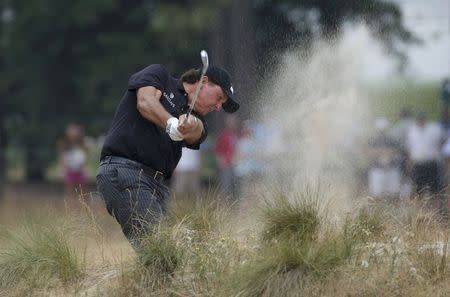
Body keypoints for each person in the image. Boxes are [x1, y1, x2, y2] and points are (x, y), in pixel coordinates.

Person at [96, 63, 239, 246]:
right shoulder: (160, 76)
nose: (219, 107)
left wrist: (189, 125)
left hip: (156, 185)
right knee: (162, 248)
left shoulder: (199, 119)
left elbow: (196, 131)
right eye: (219, 98)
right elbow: (145, 102)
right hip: (124, 171)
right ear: (203, 82)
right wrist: (170, 123)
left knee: (171, 248)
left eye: (222, 104)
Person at [58, 123, 89, 202]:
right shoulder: (64, 144)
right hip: (70, 169)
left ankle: (85, 207)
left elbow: (85, 157)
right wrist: (63, 167)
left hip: (80, 169)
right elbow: (62, 157)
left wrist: (86, 168)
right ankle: (70, 207)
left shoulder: (82, 144)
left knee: (83, 190)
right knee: (69, 189)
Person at [214, 114, 240, 200]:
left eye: (234, 121)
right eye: (230, 121)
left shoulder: (238, 134)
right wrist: (221, 162)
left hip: (238, 165)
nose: (232, 123)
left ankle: (235, 206)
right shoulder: (224, 135)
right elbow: (218, 150)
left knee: (236, 187)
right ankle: (224, 207)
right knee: (226, 186)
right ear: (227, 122)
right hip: (227, 165)